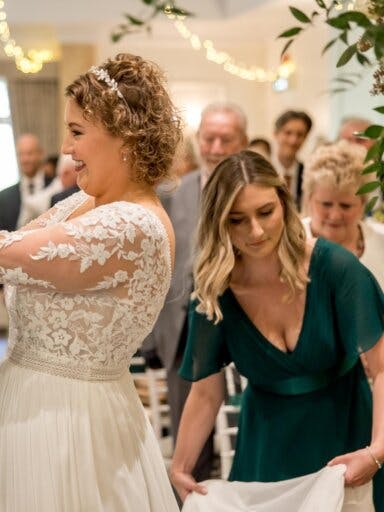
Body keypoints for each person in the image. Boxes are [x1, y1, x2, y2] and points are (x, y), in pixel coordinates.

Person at [0, 53, 182, 511]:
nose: (65, 148)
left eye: (78, 132)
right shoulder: (83, 204)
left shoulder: (131, 226)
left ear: (125, 137)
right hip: (29, 403)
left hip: (72, 422)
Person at [171, 150, 384, 509]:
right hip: (267, 442)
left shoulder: (335, 268)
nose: (255, 231)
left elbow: (381, 369)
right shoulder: (215, 292)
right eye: (237, 220)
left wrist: (377, 451)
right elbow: (207, 393)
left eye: (265, 212)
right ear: (218, 222)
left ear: (284, 201)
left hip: (346, 429)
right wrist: (179, 466)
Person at [143, 101, 248, 483]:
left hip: (246, 323)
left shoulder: (257, 195)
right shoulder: (173, 193)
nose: (216, 147)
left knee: (246, 428)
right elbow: (158, 268)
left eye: (226, 139)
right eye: (209, 138)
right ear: (198, 140)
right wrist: (154, 336)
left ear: (244, 142)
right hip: (183, 330)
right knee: (192, 438)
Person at [302, 140, 384, 285]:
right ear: (309, 199)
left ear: (363, 204)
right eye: (326, 204)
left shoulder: (380, 243)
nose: (335, 216)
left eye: (346, 206)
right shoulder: (289, 242)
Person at [0, 133, 55, 232]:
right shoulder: (4, 197)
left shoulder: (57, 187)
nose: (25, 159)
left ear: (41, 154)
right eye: (21, 154)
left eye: (29, 153)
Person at [272, 110, 312, 207]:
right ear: (276, 134)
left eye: (300, 135)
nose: (293, 140)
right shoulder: (262, 170)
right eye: (288, 133)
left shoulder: (308, 173)